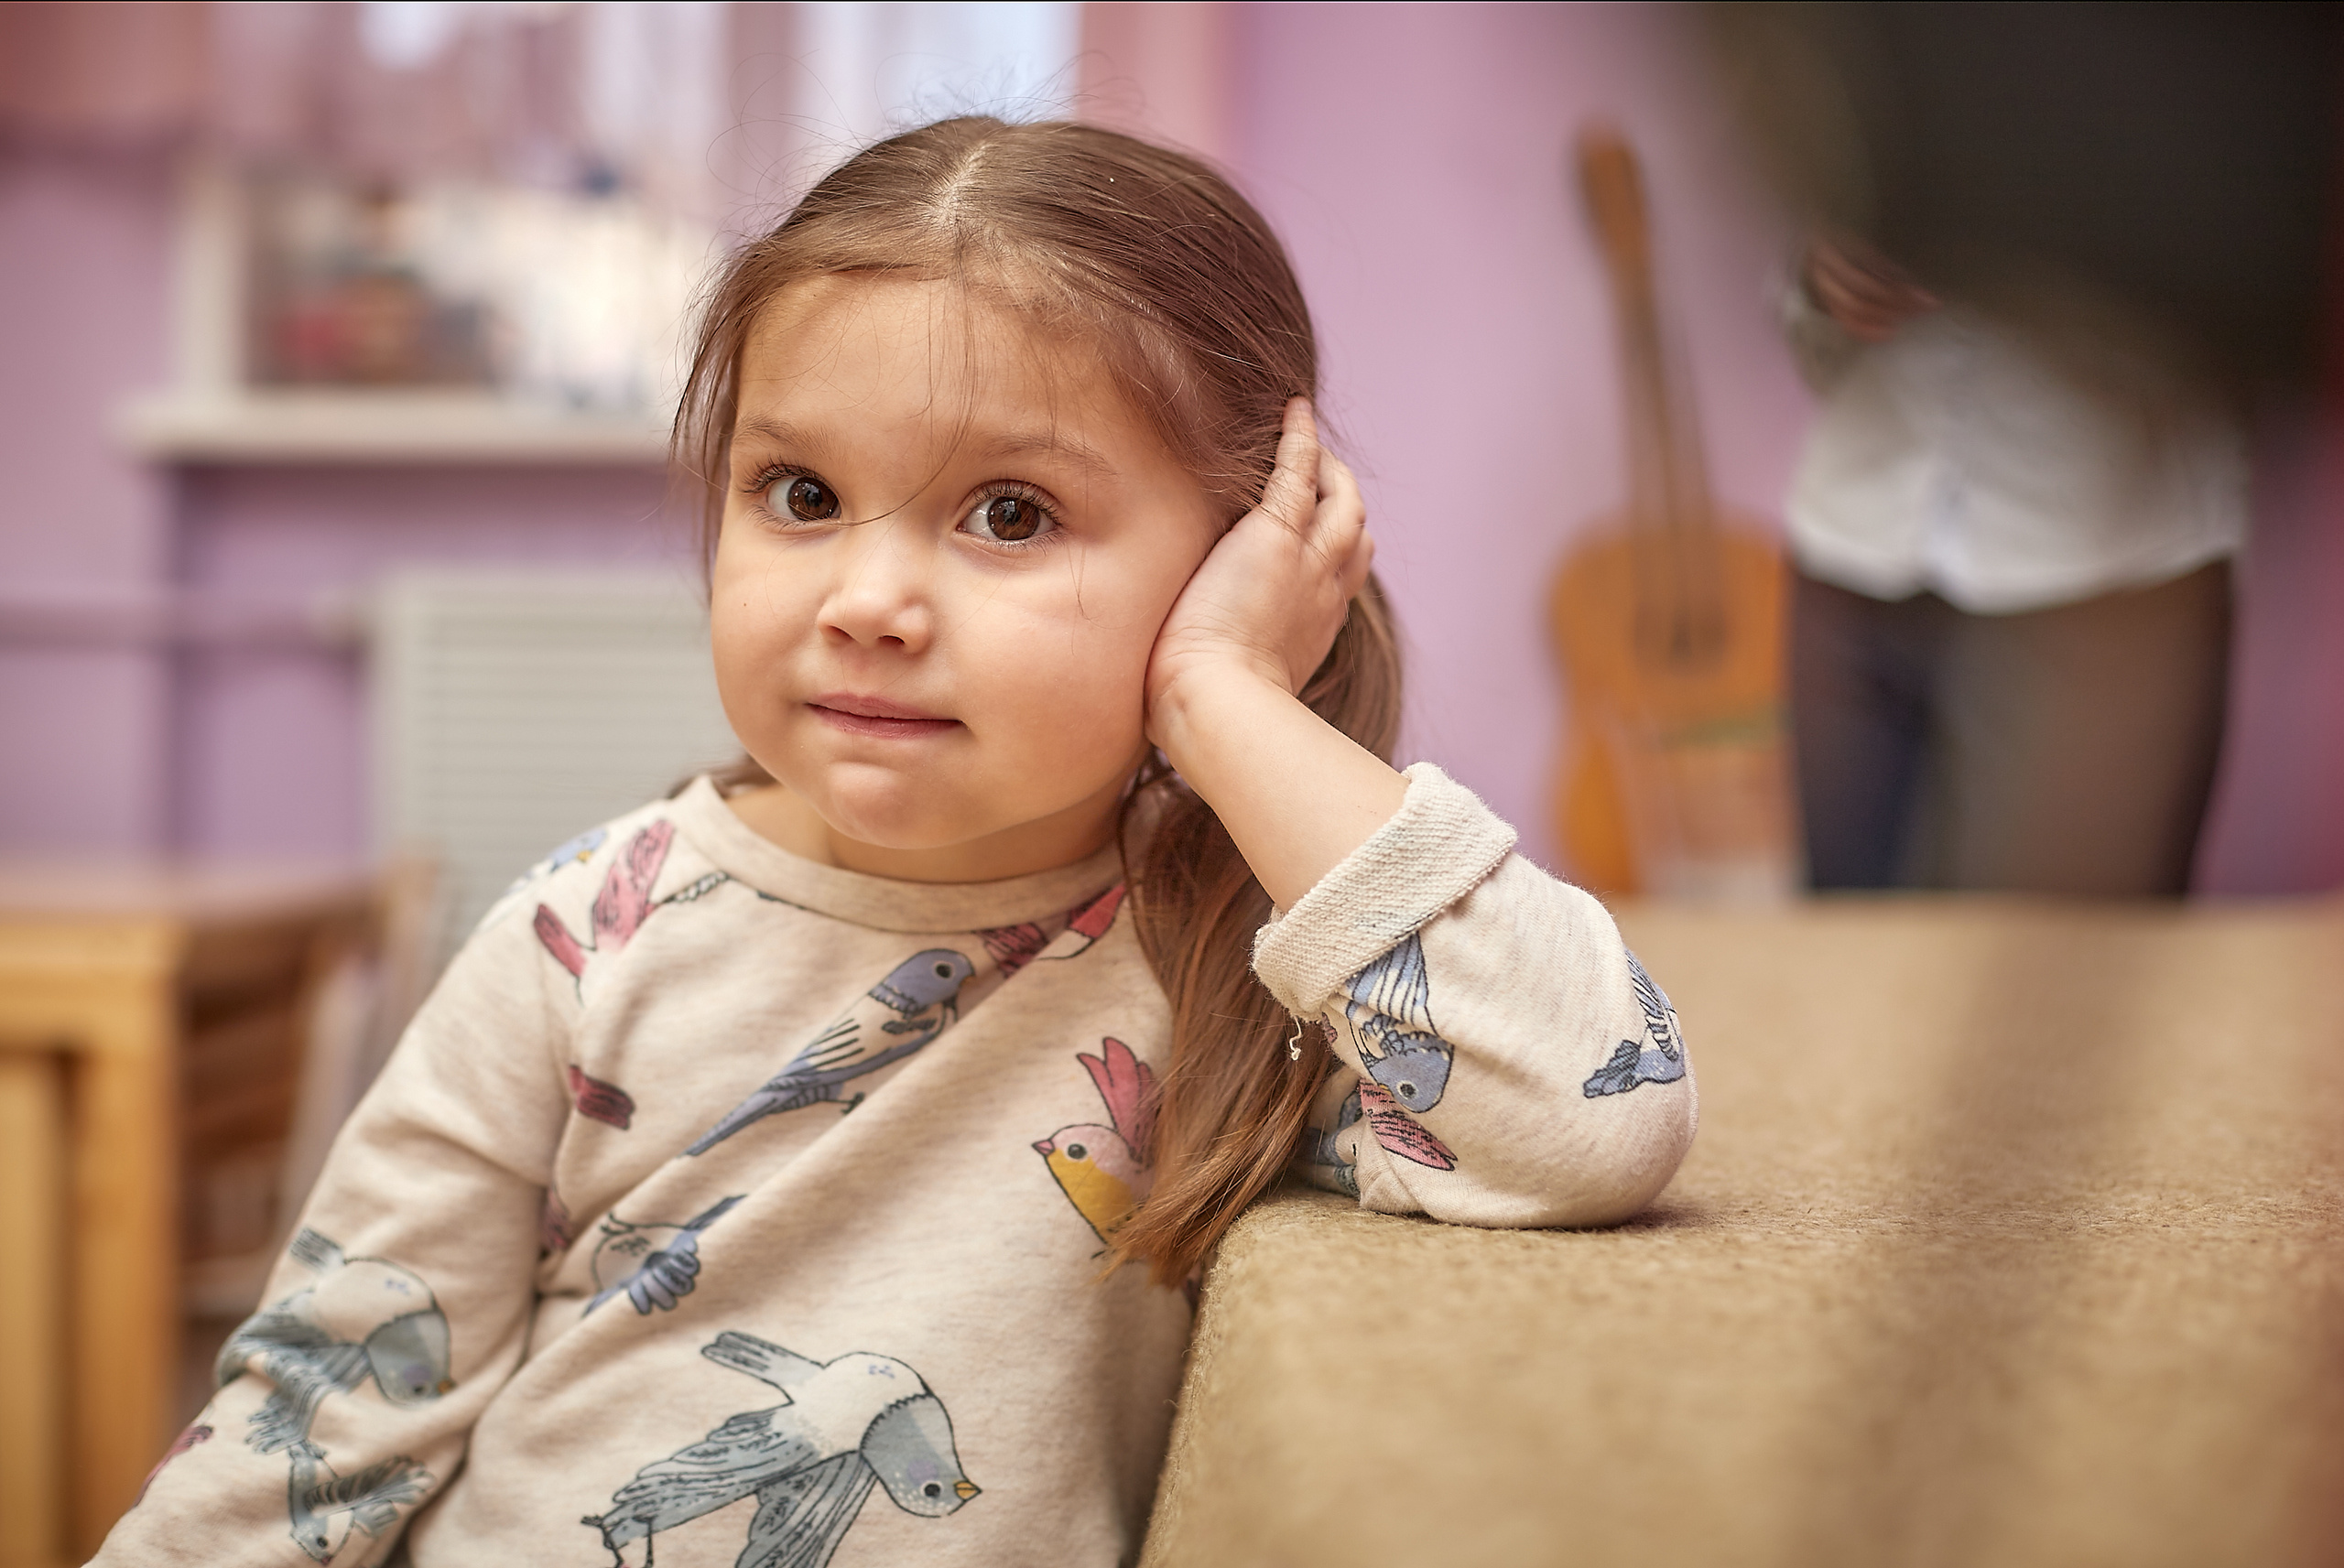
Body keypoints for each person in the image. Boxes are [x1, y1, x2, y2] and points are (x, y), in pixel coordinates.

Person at [99, 119, 1696, 1566]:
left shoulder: (1242, 963)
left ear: (1239, 551)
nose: (864, 601)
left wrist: (1224, 696)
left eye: (1009, 513)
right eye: (798, 492)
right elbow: (307, 1430)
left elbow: (1590, 1113)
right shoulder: (584, 935)